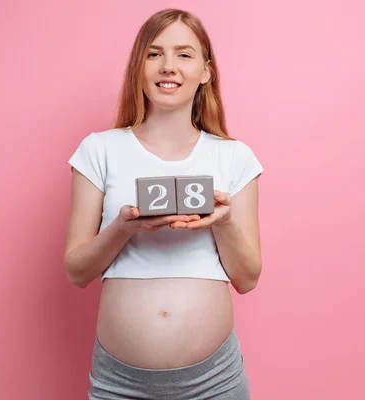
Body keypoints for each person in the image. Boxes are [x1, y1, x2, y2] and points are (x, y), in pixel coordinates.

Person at [65, 8, 264, 400]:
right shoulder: (100, 150)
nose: (167, 67)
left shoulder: (234, 157)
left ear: (206, 71)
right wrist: (123, 228)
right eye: (154, 54)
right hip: (119, 384)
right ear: (138, 66)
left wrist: (221, 222)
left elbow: (247, 278)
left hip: (215, 383)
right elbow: (77, 271)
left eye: (184, 55)